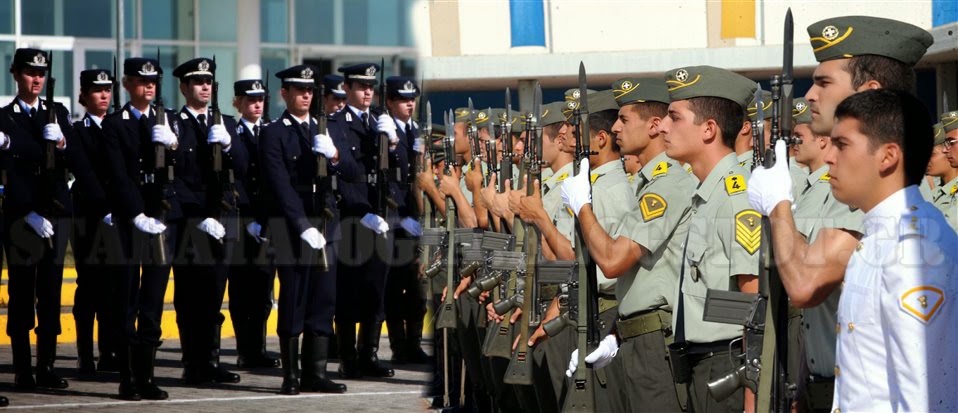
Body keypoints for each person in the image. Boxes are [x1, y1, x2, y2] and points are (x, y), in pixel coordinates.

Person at [747, 17, 933, 409]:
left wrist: (779, 203)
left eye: (824, 82)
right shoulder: (849, 184)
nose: (810, 95)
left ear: (870, 92)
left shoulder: (882, 201)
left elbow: (804, 283)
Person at [763, 88, 958, 411]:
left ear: (887, 156)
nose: (829, 158)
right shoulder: (880, 236)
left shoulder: (911, 250)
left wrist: (777, 207)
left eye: (842, 145)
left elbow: (925, 394)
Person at [560, 77, 692, 412]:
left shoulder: (667, 184)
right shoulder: (648, 183)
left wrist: (582, 206)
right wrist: (616, 337)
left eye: (625, 119)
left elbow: (613, 261)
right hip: (634, 334)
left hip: (656, 340)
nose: (616, 127)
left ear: (653, 125)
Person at [657, 65, 760, 412]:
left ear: (709, 130)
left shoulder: (735, 196)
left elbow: (754, 302)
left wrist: (753, 394)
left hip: (726, 366)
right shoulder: (707, 193)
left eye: (674, 117)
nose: (663, 127)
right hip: (702, 365)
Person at [259, 64, 349, 395]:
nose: (306, 96)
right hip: (291, 226)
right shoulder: (273, 131)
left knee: (323, 299)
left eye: (310, 91)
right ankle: (292, 375)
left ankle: (316, 373)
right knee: (294, 296)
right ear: (285, 93)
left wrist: (336, 154)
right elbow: (278, 183)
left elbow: (352, 169)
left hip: (326, 222)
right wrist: (300, 225)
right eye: (299, 90)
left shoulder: (325, 127)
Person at [101, 56, 178, 401]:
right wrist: (135, 213)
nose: (149, 86)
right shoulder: (115, 124)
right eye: (141, 81)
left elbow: (184, 168)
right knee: (127, 297)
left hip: (160, 218)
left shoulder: (167, 120)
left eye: (153, 81)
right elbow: (117, 175)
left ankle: (147, 376)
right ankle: (127, 378)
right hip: (131, 221)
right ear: (127, 85)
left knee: (153, 300)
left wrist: (174, 146)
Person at [0, 48, 74, 391]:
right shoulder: (4, 117)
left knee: (50, 293)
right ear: (16, 74)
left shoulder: (57, 112)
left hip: (55, 214)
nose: (37, 79)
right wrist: (25, 211)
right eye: (30, 72)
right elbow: (9, 171)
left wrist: (60, 142)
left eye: (41, 73)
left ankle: (46, 365)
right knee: (21, 293)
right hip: (21, 218)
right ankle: (22, 369)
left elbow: (75, 158)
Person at [169, 57, 245, 385]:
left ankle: (211, 360)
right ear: (184, 87)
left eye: (208, 81)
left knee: (214, 292)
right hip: (190, 223)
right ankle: (193, 363)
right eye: (197, 81)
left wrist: (229, 144)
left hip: (223, 218)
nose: (204, 86)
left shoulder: (225, 122)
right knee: (189, 294)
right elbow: (174, 179)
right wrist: (199, 217)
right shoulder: (174, 124)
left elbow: (243, 167)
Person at [329, 62, 397, 380]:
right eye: (360, 86)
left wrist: (392, 143)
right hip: (352, 220)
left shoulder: (380, 125)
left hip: (380, 218)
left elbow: (394, 175)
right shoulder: (336, 124)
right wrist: (361, 210)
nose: (367, 92)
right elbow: (345, 174)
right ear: (346, 88)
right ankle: (347, 357)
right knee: (349, 290)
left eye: (370, 87)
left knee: (375, 290)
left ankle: (369, 354)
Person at [70, 68, 122, 377]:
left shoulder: (118, 127)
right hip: (90, 216)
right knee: (89, 285)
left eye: (107, 90)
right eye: (96, 90)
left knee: (115, 286)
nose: (104, 95)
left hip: (118, 217)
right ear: (84, 96)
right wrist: (104, 207)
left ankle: (109, 351)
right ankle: (84, 354)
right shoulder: (78, 130)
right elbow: (84, 173)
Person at [228, 78, 280, 369]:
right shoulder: (232, 134)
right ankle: (244, 349)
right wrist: (248, 219)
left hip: (267, 221)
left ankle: (257, 348)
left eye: (260, 99)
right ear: (238, 103)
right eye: (250, 100)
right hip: (242, 220)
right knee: (241, 289)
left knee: (263, 287)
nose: (257, 105)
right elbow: (237, 179)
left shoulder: (271, 133)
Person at [381, 76, 429, 365]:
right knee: (395, 288)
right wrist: (399, 219)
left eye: (412, 99)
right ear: (389, 102)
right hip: (394, 222)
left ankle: (414, 343)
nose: (409, 104)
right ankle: (399, 345)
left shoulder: (417, 132)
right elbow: (385, 182)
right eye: (402, 99)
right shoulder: (384, 131)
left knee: (417, 289)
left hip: (417, 219)